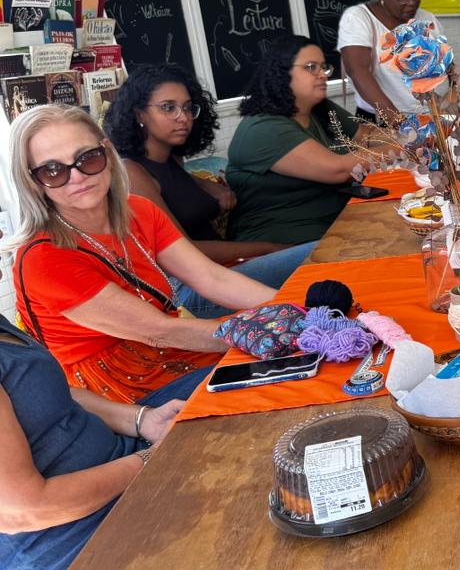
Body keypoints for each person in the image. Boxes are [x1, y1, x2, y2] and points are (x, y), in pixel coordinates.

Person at [8, 105, 276, 404]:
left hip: (173, 351)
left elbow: (211, 278)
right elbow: (157, 332)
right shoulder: (43, 257)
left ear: (107, 154)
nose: (77, 176)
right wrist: (262, 329)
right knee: (273, 376)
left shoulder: (139, 211)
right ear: (34, 182)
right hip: (117, 394)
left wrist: (292, 309)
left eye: (87, 158)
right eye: (53, 170)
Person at [103, 65, 315, 318]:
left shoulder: (169, 158)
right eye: (168, 107)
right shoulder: (132, 172)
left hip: (220, 271)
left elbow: (173, 184)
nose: (183, 117)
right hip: (193, 290)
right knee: (316, 253)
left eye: (188, 107)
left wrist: (204, 184)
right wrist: (269, 248)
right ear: (139, 113)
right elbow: (187, 252)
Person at [0, 313, 182, 570]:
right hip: (78, 538)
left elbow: (60, 394)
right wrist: (148, 460)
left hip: (127, 470)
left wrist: (142, 420)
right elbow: (25, 510)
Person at [228, 36, 388, 245]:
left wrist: (420, 135)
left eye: (324, 67)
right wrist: (407, 147)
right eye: (311, 67)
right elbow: (338, 170)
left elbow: (365, 136)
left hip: (335, 222)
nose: (323, 75)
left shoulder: (319, 108)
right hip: (282, 242)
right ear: (281, 73)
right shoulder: (263, 128)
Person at [338, 0, 445, 119]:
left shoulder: (427, 18)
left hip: (433, 119)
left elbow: (446, 65)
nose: (411, 3)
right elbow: (357, 70)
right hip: (385, 122)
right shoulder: (358, 18)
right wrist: (397, 120)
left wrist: (451, 104)